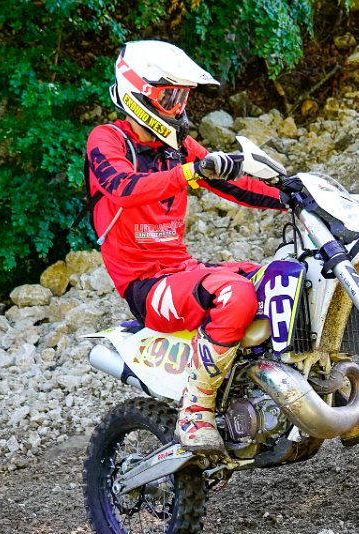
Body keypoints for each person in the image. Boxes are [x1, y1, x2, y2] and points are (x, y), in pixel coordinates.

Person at [86, 40, 284, 454]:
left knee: (281, 277)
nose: (177, 108)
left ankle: (299, 393)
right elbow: (122, 187)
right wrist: (191, 172)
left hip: (182, 270)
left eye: (181, 98)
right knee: (236, 294)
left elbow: (232, 184)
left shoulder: (175, 146)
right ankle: (196, 408)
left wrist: (292, 194)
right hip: (146, 286)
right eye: (169, 97)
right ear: (138, 93)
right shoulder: (107, 139)